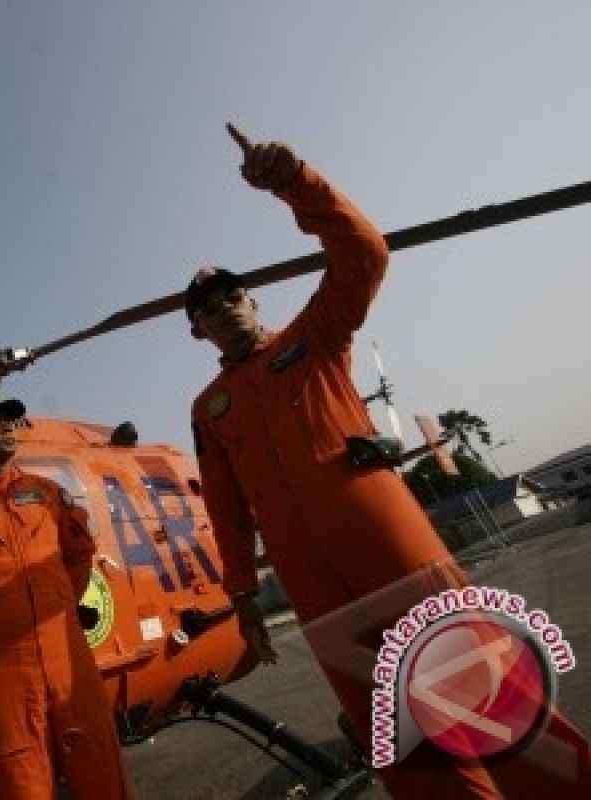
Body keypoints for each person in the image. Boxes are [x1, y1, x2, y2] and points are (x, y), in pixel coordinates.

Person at [188, 123, 590, 797]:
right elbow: (226, 509)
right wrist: (242, 593)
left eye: (232, 295)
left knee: (474, 675)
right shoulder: (209, 409)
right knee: (391, 719)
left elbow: (364, 251)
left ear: (253, 300)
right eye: (206, 309)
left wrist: (295, 183)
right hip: (308, 578)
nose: (223, 309)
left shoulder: (314, 335)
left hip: (385, 542)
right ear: (196, 331)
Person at [0, 392, 134, 800]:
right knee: (20, 773)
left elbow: (79, 553)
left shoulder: (48, 494)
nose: (6, 426)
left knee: (98, 758)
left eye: (9, 419)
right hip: (1, 661)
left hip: (66, 649)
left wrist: (60, 605)